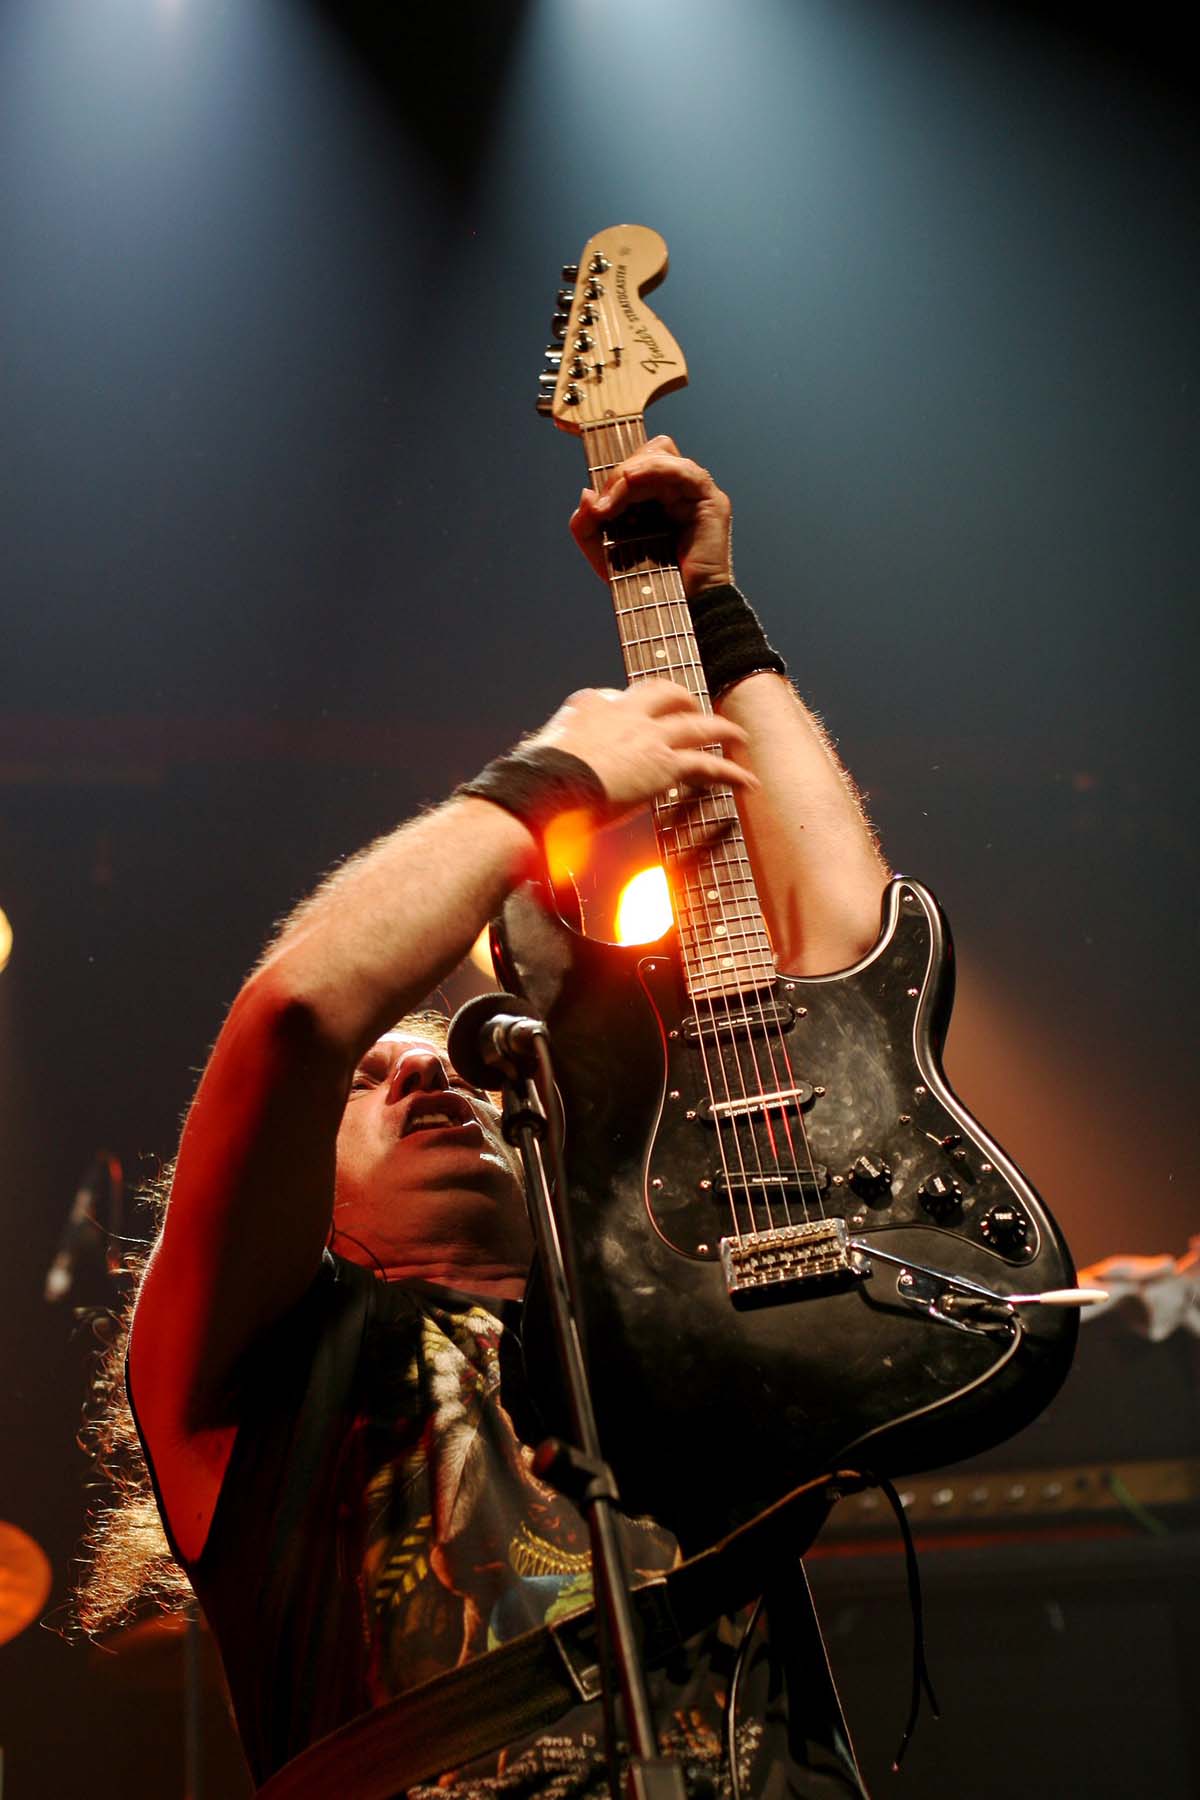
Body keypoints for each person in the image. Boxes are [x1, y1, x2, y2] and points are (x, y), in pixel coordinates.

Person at [124, 439, 889, 1796]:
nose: (424, 1072)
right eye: (376, 1083)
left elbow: (845, 963)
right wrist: (551, 777)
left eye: (455, 1068)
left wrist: (718, 622)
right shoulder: (254, 1383)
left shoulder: (656, 1328)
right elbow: (299, 1013)